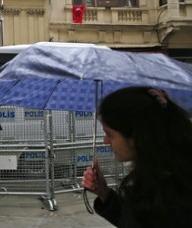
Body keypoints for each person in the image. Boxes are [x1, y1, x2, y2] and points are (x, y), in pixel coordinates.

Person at [82, 86, 192, 227]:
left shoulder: (174, 199)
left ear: (137, 137)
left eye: (110, 134)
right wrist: (104, 194)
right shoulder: (159, 180)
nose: (105, 141)